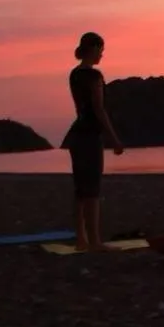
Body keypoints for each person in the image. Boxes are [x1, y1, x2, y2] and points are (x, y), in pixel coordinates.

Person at [62, 32, 125, 251]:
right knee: (92, 189)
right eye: (101, 49)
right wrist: (114, 139)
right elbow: (99, 109)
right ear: (93, 49)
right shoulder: (93, 76)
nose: (102, 54)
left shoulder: (74, 74)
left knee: (81, 189)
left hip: (77, 134)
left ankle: (81, 239)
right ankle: (95, 240)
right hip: (89, 135)